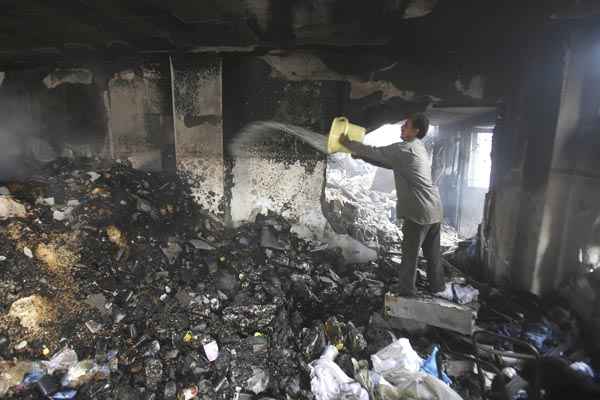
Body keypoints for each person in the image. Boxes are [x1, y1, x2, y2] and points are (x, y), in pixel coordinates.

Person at [339, 113, 444, 295]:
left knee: (410, 255)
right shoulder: (418, 147)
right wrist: (361, 156)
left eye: (407, 125)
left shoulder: (405, 149)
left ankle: (406, 292)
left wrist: (347, 142)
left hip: (418, 212)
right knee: (433, 255)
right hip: (434, 209)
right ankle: (438, 287)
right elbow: (388, 162)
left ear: (416, 131)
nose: (402, 127)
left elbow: (375, 151)